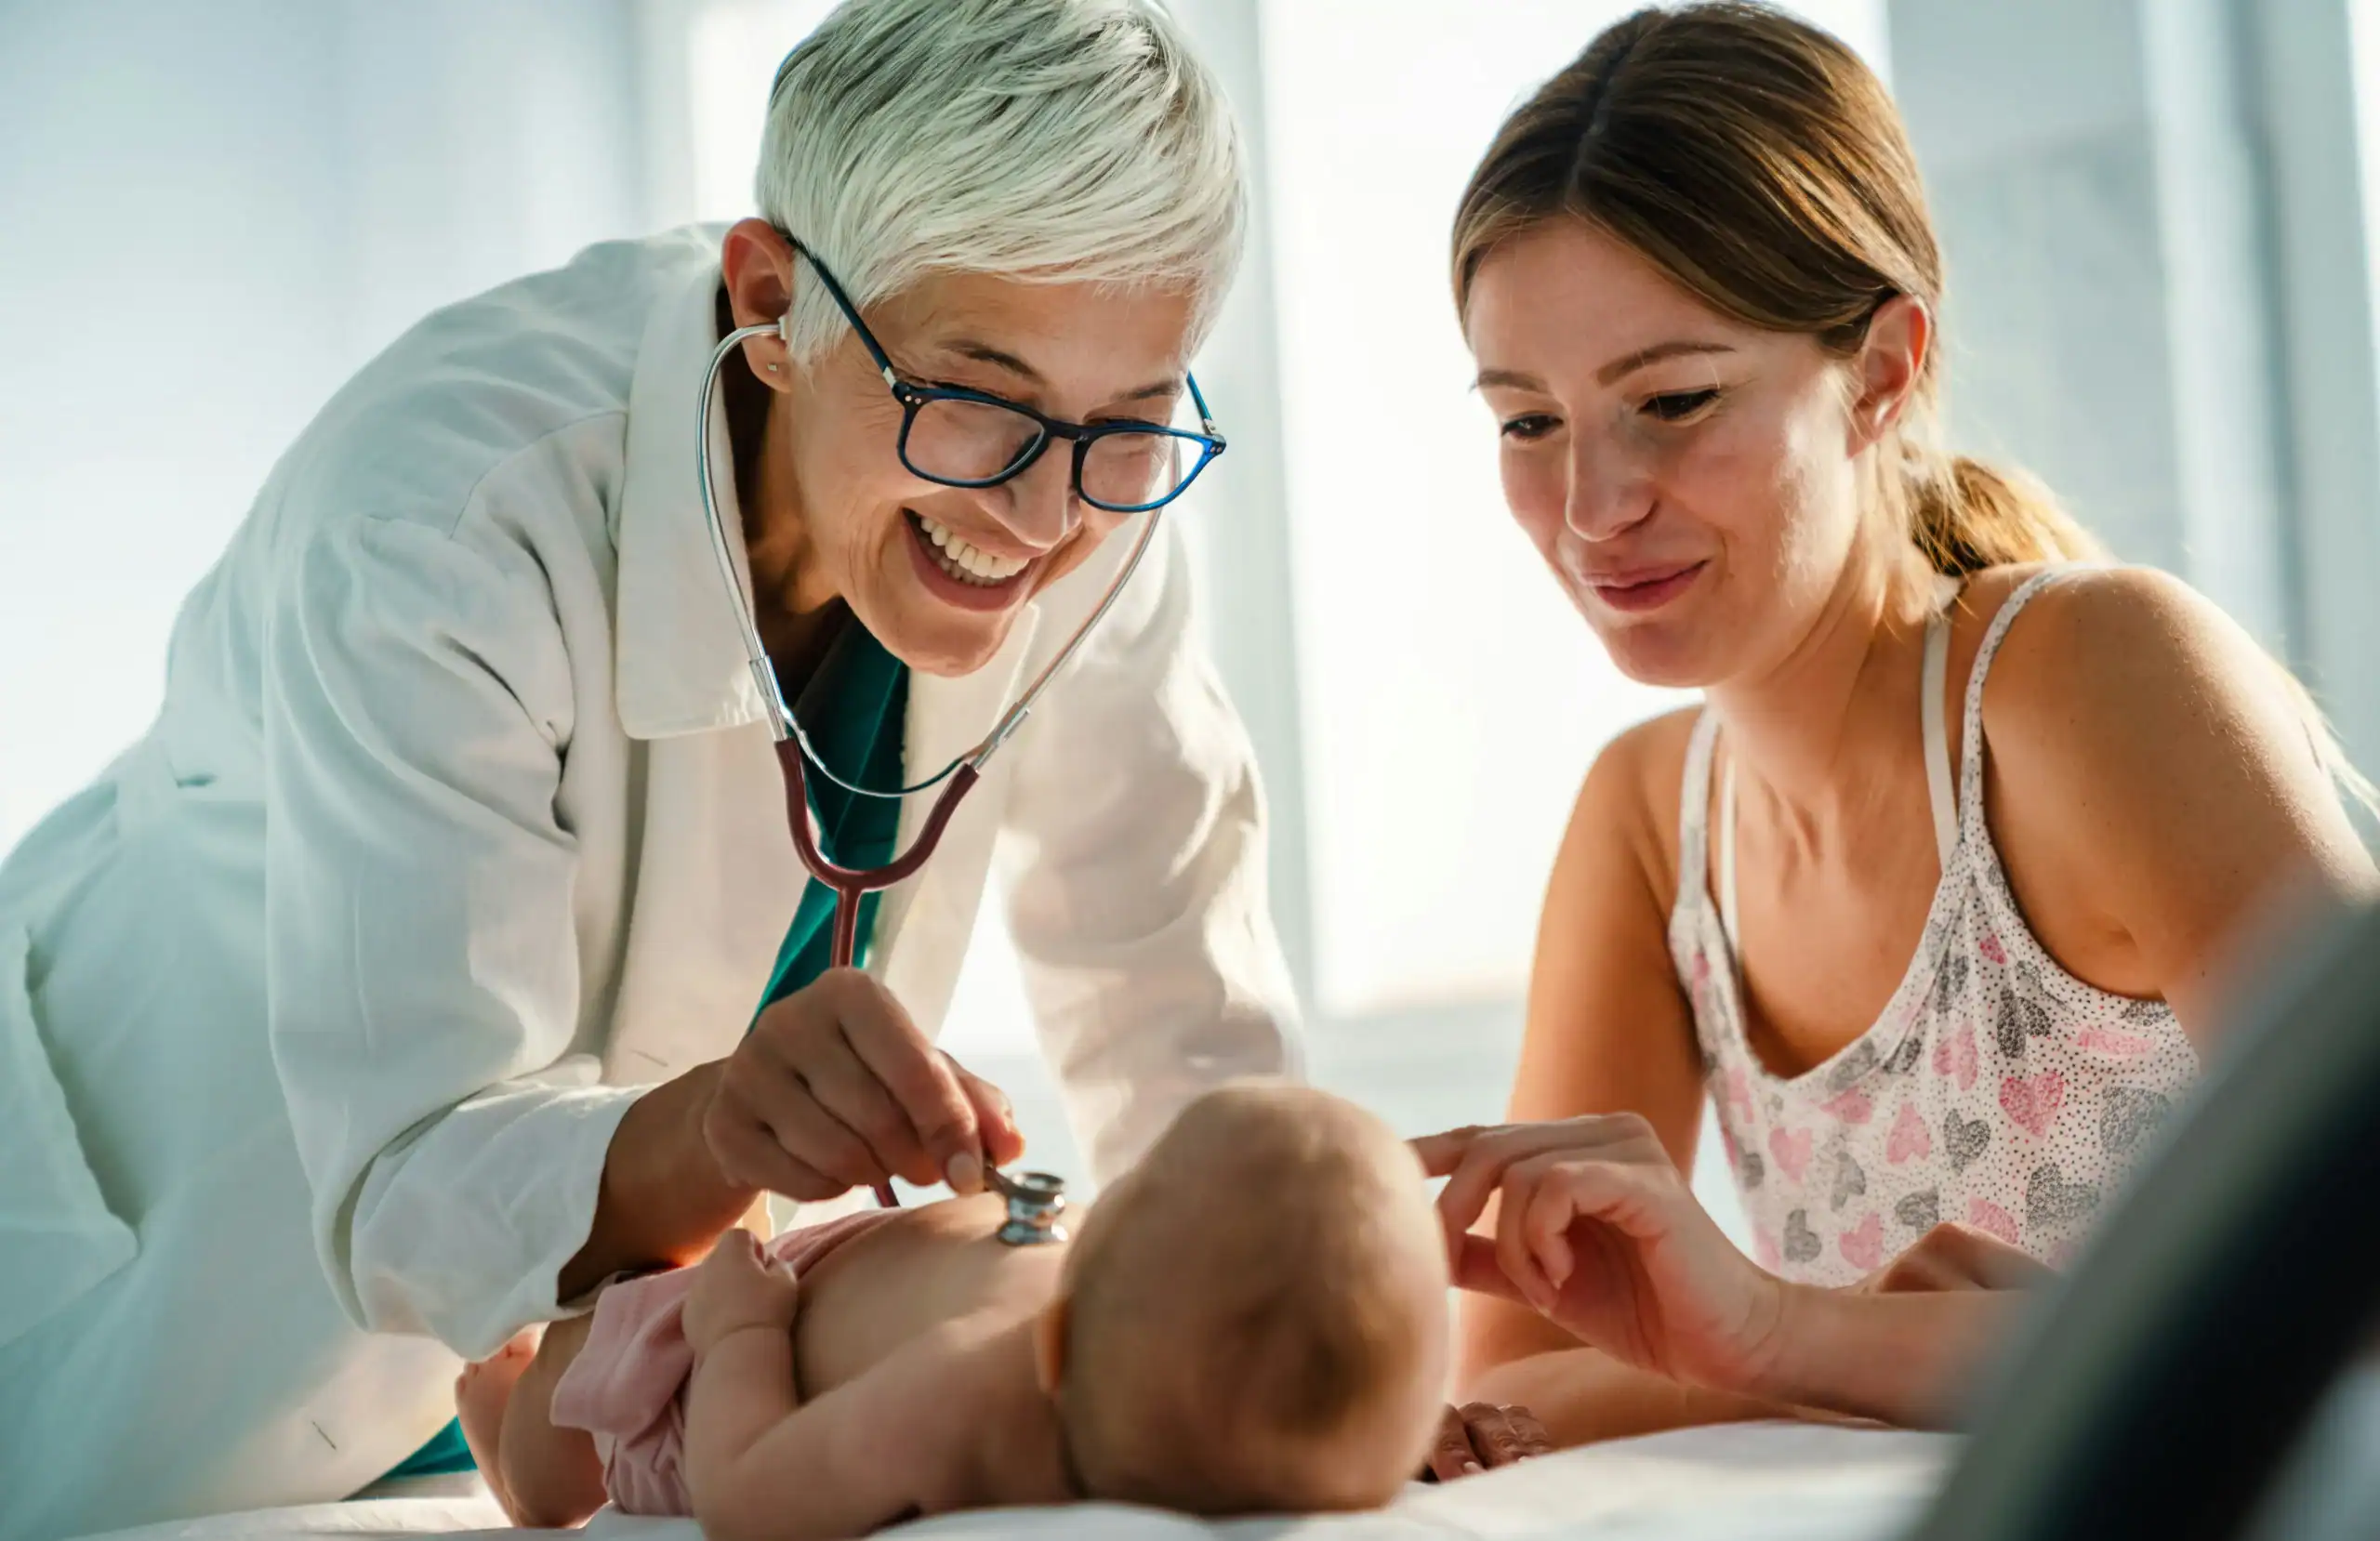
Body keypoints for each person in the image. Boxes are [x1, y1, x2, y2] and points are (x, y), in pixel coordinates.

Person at [0, 3, 1302, 1534]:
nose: (1040, 517)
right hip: (164, 1294)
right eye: (975, 401)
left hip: (572, 1367)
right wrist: (724, 1124)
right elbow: (415, 1168)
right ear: (772, 296)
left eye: (1132, 425)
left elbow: (1178, 1016)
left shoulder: (1095, 511)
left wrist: (1306, 1295)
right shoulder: (446, 517)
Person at [1418, 0, 2380, 1446]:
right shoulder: (1647, 822)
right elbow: (1509, 1395)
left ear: (1880, 369)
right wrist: (1840, 1338)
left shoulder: (2098, 680)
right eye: (1526, 422)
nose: (1591, 509)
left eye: (1671, 401)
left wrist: (1794, 1329)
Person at [453, 1084, 1450, 1535]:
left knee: (562, 1413)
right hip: (835, 1265)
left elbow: (750, 1494)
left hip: (708, 1359)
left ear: (1053, 1339)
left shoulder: (961, 1391)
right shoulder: (1205, 1389)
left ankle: (502, 1429)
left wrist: (740, 1329)